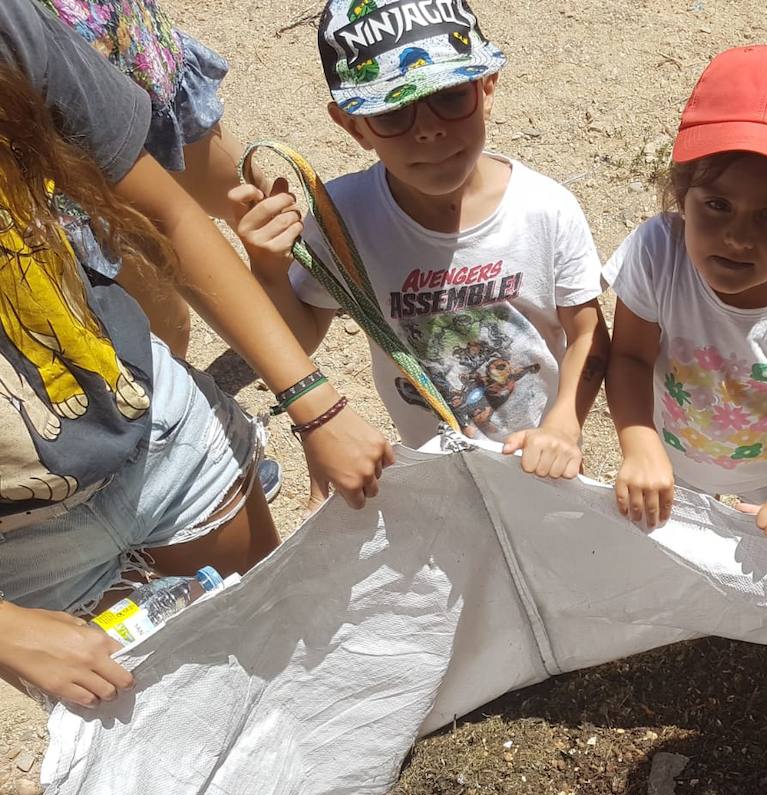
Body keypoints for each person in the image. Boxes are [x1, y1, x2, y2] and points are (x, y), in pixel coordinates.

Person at [0, 2, 393, 709]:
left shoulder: (14, 23)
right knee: (162, 734)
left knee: (287, 665)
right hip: (23, 556)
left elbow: (171, 210)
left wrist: (316, 403)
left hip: (164, 441)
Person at [232, 0, 609, 479]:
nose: (429, 130)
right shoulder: (344, 218)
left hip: (542, 454)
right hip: (437, 461)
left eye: (450, 96)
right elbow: (301, 338)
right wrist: (266, 269)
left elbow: (587, 332)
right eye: (393, 112)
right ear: (352, 125)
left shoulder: (546, 209)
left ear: (487, 88)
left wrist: (564, 426)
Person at [604, 45, 767, 548]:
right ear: (682, 195)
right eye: (717, 204)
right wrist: (640, 444)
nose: (738, 239)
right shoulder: (659, 252)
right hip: (667, 460)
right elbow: (631, 357)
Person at [34, 0, 252, 357]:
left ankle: (306, 287)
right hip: (55, 143)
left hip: (116, 40)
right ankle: (190, 392)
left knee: (239, 194)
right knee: (163, 323)